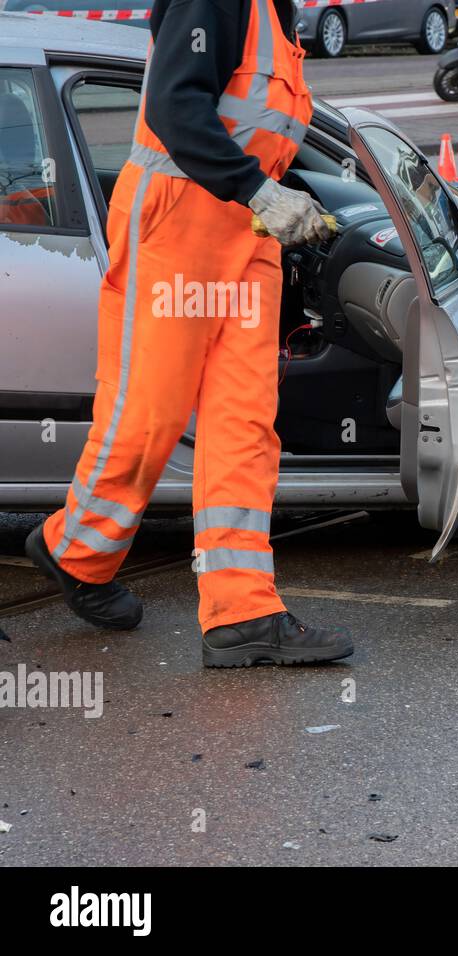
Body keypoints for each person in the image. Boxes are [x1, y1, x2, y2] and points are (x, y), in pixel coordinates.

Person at [24, 0, 355, 669]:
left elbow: (251, 127)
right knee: (149, 415)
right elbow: (178, 109)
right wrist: (261, 193)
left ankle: (243, 613)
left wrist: (277, 197)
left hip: (246, 235)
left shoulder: (276, 16)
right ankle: (76, 550)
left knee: (245, 424)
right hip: (177, 226)